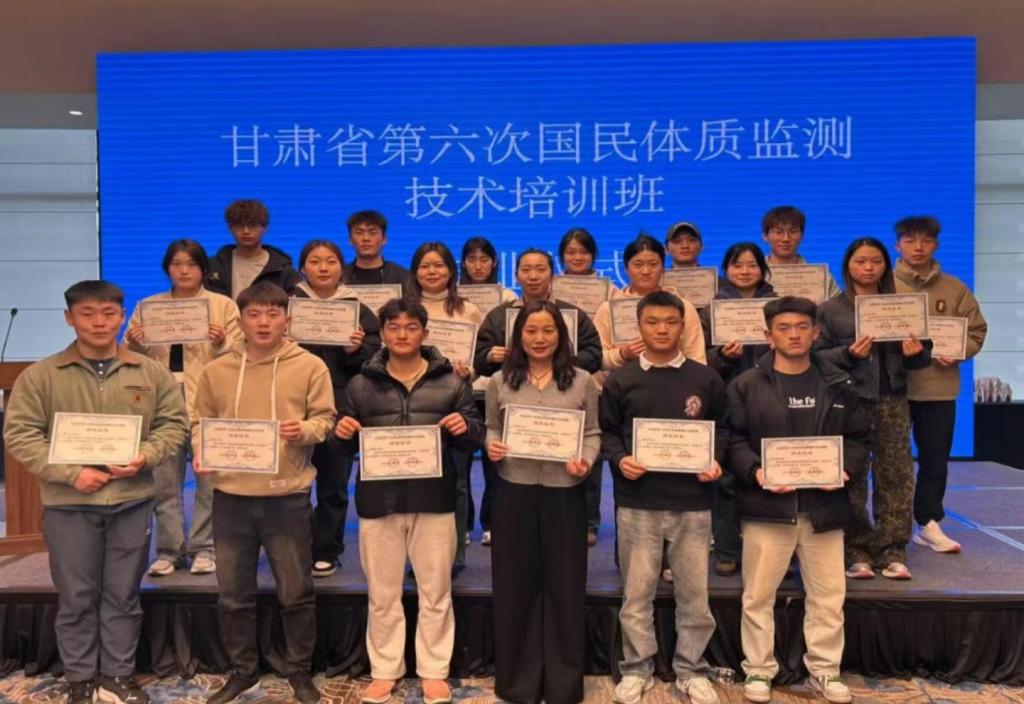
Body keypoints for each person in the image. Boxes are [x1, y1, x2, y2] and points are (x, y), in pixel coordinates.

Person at [4, 280, 189, 704]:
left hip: (131, 501)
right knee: (76, 597)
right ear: (69, 318)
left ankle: (118, 676)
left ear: (122, 317)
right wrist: (71, 474)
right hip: (69, 504)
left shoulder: (150, 372)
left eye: (108, 313)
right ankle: (80, 677)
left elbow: (174, 425)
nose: (99, 322)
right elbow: (21, 434)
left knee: (123, 594)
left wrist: (145, 456)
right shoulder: (41, 376)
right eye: (87, 314)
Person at [335, 296, 484, 704]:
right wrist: (341, 432)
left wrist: (465, 426)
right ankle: (385, 670)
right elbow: (342, 444)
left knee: (436, 591)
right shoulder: (360, 384)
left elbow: (475, 436)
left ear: (425, 332)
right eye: (394, 327)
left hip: (434, 500)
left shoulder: (452, 382)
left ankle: (434, 671)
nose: (402, 335)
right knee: (382, 593)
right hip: (378, 501)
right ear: (382, 334)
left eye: (411, 327)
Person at [192, 282, 336, 704]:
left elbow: (325, 420)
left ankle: (299, 672)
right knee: (233, 594)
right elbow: (200, 422)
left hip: (286, 497)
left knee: (296, 592)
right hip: (230, 497)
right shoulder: (217, 369)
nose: (263, 322)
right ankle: (242, 672)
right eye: (254, 314)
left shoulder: (309, 366)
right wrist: (202, 449)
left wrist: (303, 430)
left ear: (286, 320)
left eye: (272, 314)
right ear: (240, 320)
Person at [725, 296, 869, 704]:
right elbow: (732, 438)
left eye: (802, 327)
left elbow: (859, 438)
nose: (794, 335)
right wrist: (756, 471)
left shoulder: (840, 383)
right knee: (758, 596)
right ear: (768, 335)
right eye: (784, 328)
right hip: (767, 508)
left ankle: (825, 670)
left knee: (828, 597)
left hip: (824, 508)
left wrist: (845, 470)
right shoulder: (746, 384)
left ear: (816, 333)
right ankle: (758, 669)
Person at [600, 291, 726, 704]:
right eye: (652, 322)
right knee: (636, 595)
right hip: (638, 502)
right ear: (639, 326)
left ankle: (691, 669)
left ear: (683, 326)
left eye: (671, 322)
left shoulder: (705, 378)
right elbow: (608, 432)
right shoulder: (620, 379)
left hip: (693, 502)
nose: (662, 329)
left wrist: (715, 458)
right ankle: (637, 669)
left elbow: (723, 428)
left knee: (695, 597)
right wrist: (620, 459)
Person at [485, 299, 600, 704]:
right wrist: (492, 446)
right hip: (513, 492)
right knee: (515, 586)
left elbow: (593, 433)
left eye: (548, 331)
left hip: (564, 494)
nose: (539, 338)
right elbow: (492, 427)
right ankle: (518, 683)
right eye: (531, 331)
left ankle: (563, 684)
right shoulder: (500, 380)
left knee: (564, 587)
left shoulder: (582, 381)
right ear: (518, 336)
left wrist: (585, 460)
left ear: (561, 336)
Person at [124, 239, 242, 577]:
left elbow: (240, 354)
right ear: (167, 269)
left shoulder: (222, 306)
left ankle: (204, 548)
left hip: (209, 402)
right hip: (163, 403)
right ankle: (169, 550)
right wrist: (135, 343)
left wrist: (221, 341)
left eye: (191, 264)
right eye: (177, 264)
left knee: (209, 482)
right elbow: (128, 356)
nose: (184, 271)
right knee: (164, 484)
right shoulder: (149, 307)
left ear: (204, 269)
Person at [815, 238, 929, 580]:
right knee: (849, 476)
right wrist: (848, 353)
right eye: (861, 261)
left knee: (896, 475)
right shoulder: (830, 310)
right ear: (848, 265)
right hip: (848, 400)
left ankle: (892, 549)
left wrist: (915, 353)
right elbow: (817, 357)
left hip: (892, 400)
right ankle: (857, 550)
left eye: (876, 261)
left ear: (885, 266)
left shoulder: (903, 306)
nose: (868, 267)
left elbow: (923, 355)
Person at [892, 216, 987, 553]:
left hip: (938, 388)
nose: (918, 248)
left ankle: (928, 521)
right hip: (893, 389)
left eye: (926, 241)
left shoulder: (954, 288)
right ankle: (889, 527)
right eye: (910, 240)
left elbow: (976, 330)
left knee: (935, 459)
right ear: (898, 245)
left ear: (936, 245)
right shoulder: (883, 285)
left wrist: (960, 350)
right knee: (891, 462)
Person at [292, 239, 382, 578]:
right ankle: (293, 545)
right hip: (291, 404)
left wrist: (353, 351)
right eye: (315, 261)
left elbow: (374, 359)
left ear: (341, 267)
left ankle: (327, 548)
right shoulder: (288, 304)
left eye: (330, 261)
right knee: (291, 483)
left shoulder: (356, 308)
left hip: (339, 404)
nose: (323, 267)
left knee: (333, 483)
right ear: (303, 268)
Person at [408, 241, 484, 572]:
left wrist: (470, 371)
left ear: (451, 271)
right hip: (411, 402)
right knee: (415, 479)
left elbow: (479, 359)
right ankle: (416, 557)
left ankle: (454, 555)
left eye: (438, 265)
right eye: (425, 266)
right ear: (415, 272)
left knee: (457, 479)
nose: (432, 271)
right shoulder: (403, 308)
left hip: (453, 401)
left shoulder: (468, 310)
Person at [557, 227, 618, 546]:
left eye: (583, 251)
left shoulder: (611, 291)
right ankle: (560, 517)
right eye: (571, 252)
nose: (577, 257)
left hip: (598, 382)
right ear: (561, 257)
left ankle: (590, 522)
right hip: (557, 382)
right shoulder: (551, 291)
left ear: (594, 255)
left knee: (590, 450)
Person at [458, 236, 517, 547]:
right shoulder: (452, 298)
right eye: (471, 259)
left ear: (494, 262)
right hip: (462, 388)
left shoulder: (508, 298)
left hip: (496, 388)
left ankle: (492, 522)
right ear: (463, 263)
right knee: (461, 462)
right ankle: (464, 524)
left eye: (484, 259)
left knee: (496, 460)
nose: (478, 265)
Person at [594, 234, 706, 370]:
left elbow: (697, 357)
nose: (646, 271)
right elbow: (597, 360)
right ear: (626, 269)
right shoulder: (608, 309)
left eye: (653, 264)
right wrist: (622, 354)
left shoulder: (683, 306)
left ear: (663, 268)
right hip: (624, 381)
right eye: (638, 265)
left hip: (676, 379)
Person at [206, 199, 302, 298]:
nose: (246, 231)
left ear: (265, 228)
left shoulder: (283, 271)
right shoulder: (213, 267)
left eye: (253, 226)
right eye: (239, 226)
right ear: (230, 229)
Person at [760, 205, 840, 299]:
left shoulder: (821, 277)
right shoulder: (754, 275)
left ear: (802, 236)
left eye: (793, 232)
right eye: (778, 232)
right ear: (765, 236)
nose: (786, 239)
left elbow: (838, 306)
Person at [341, 209, 411, 286]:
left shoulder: (403, 276)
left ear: (384, 239)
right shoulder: (340, 276)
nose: (366, 238)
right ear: (350, 240)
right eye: (359, 233)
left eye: (373, 232)